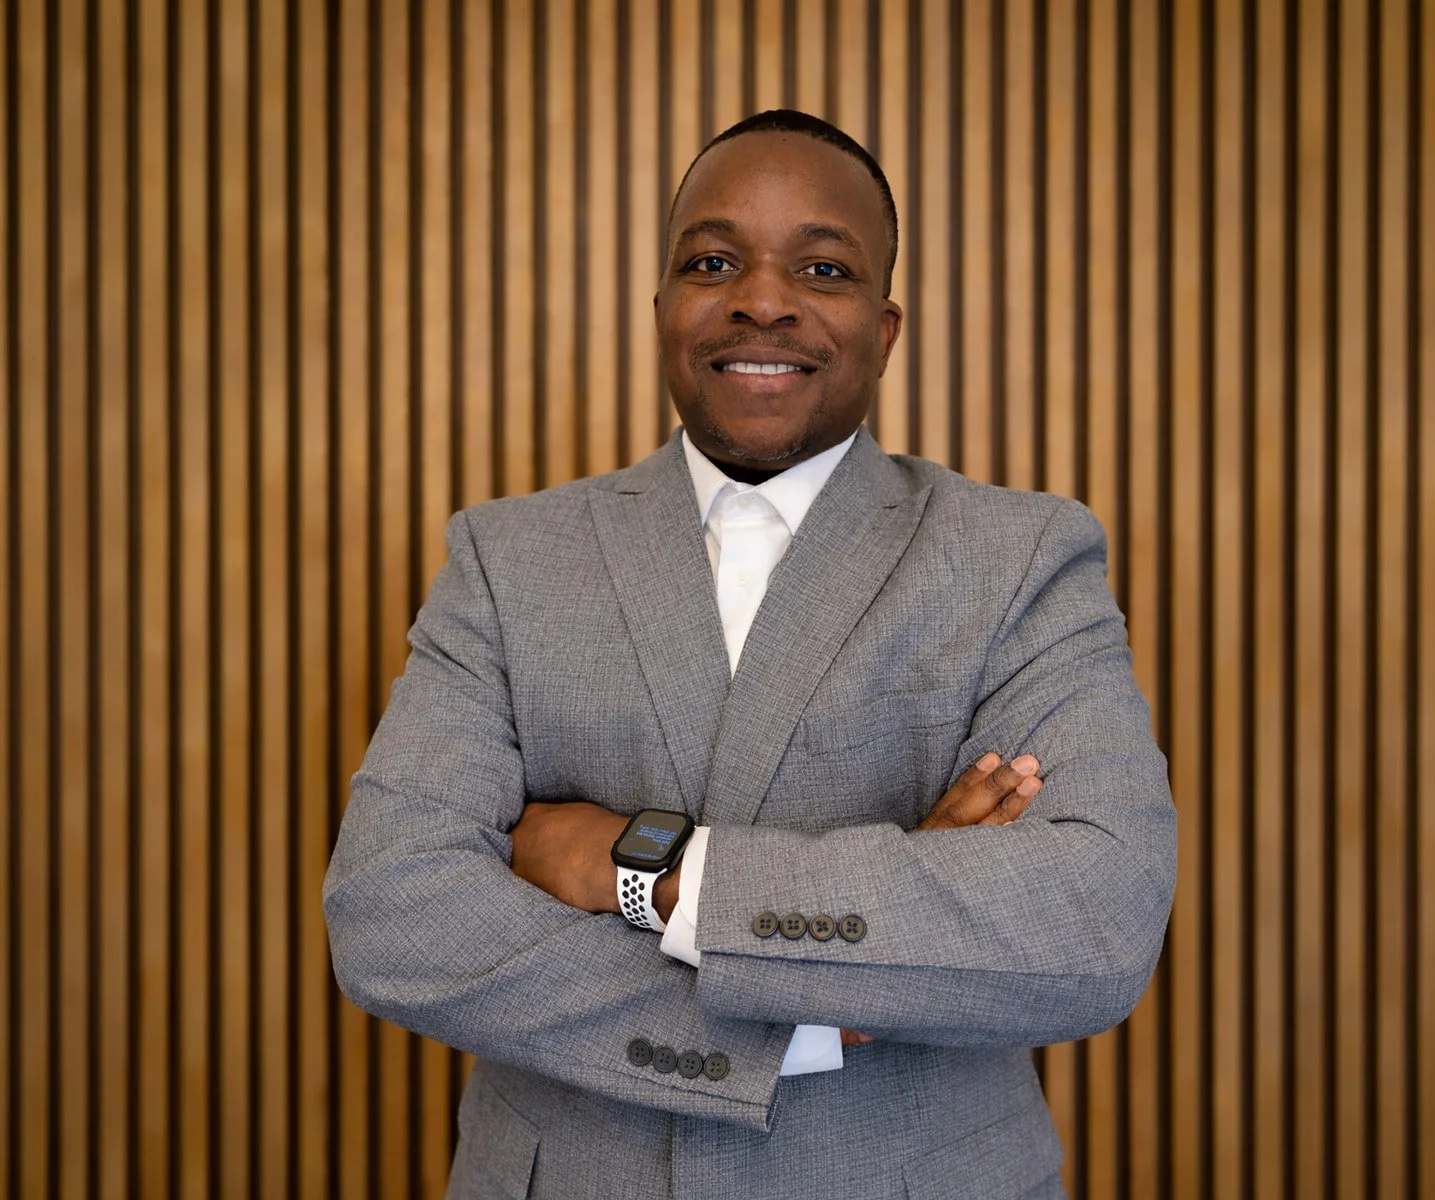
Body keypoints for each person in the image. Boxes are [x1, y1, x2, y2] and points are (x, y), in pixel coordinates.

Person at [324, 109, 1176, 1200]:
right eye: (713, 260)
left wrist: (651, 870)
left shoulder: (1019, 556)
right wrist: (813, 1015)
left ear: (885, 326)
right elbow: (393, 915)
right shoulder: (508, 557)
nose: (762, 299)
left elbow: (1091, 921)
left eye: (821, 267)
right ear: (664, 309)